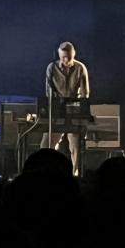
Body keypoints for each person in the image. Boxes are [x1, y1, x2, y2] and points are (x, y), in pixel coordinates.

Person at [41, 41, 89, 174]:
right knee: (46, 144)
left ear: (74, 54)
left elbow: (85, 94)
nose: (66, 60)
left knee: (76, 146)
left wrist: (82, 115)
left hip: (75, 111)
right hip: (57, 111)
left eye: (68, 57)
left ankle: (76, 175)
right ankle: (46, 172)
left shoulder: (80, 68)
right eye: (63, 57)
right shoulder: (51, 68)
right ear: (59, 55)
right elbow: (48, 92)